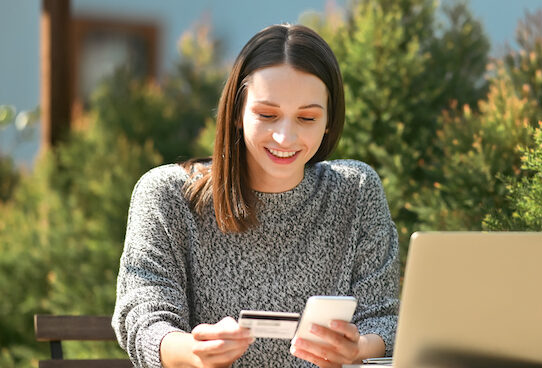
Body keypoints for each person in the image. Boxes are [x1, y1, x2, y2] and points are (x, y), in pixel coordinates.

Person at [112, 24, 400, 368]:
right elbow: (143, 317)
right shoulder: (168, 196)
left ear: (328, 122)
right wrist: (194, 353)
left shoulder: (356, 191)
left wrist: (358, 348)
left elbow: (384, 318)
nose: (285, 136)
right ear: (236, 113)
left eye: (307, 118)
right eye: (267, 115)